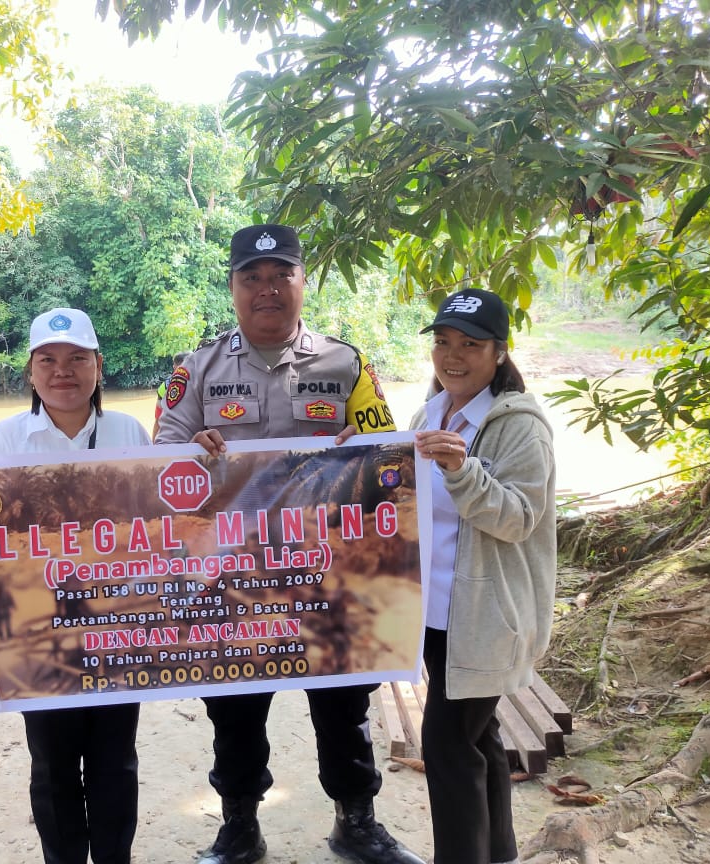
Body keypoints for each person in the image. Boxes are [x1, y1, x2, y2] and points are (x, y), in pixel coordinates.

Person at [155, 224, 423, 864]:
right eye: (252, 277)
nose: (267, 289)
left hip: (329, 575)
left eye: (281, 275)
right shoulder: (196, 369)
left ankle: (356, 821)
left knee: (344, 702)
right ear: (233, 287)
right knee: (234, 707)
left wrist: (365, 455)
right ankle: (239, 826)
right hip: (233, 576)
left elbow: (389, 463)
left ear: (303, 282)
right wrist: (190, 451)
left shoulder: (346, 364)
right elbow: (156, 460)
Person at [0, 307, 151, 864]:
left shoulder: (129, 433)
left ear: (99, 365)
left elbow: (157, 527)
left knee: (115, 757)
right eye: (47, 360)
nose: (62, 371)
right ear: (30, 371)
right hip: (38, 630)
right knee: (51, 762)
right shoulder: (2, 440)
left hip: (117, 627)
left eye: (77, 358)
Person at [411, 288, 557, 864]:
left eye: (471, 345)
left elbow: (519, 518)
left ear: (499, 353)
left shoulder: (519, 426)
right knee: (478, 734)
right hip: (434, 611)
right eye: (443, 341)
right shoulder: (430, 413)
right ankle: (499, 855)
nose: (453, 356)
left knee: (446, 745)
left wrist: (462, 469)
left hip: (484, 616)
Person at [151, 350, 190, 438]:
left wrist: (153, 443)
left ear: (174, 366)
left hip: (170, 436)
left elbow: (158, 420)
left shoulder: (164, 386)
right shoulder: (200, 384)